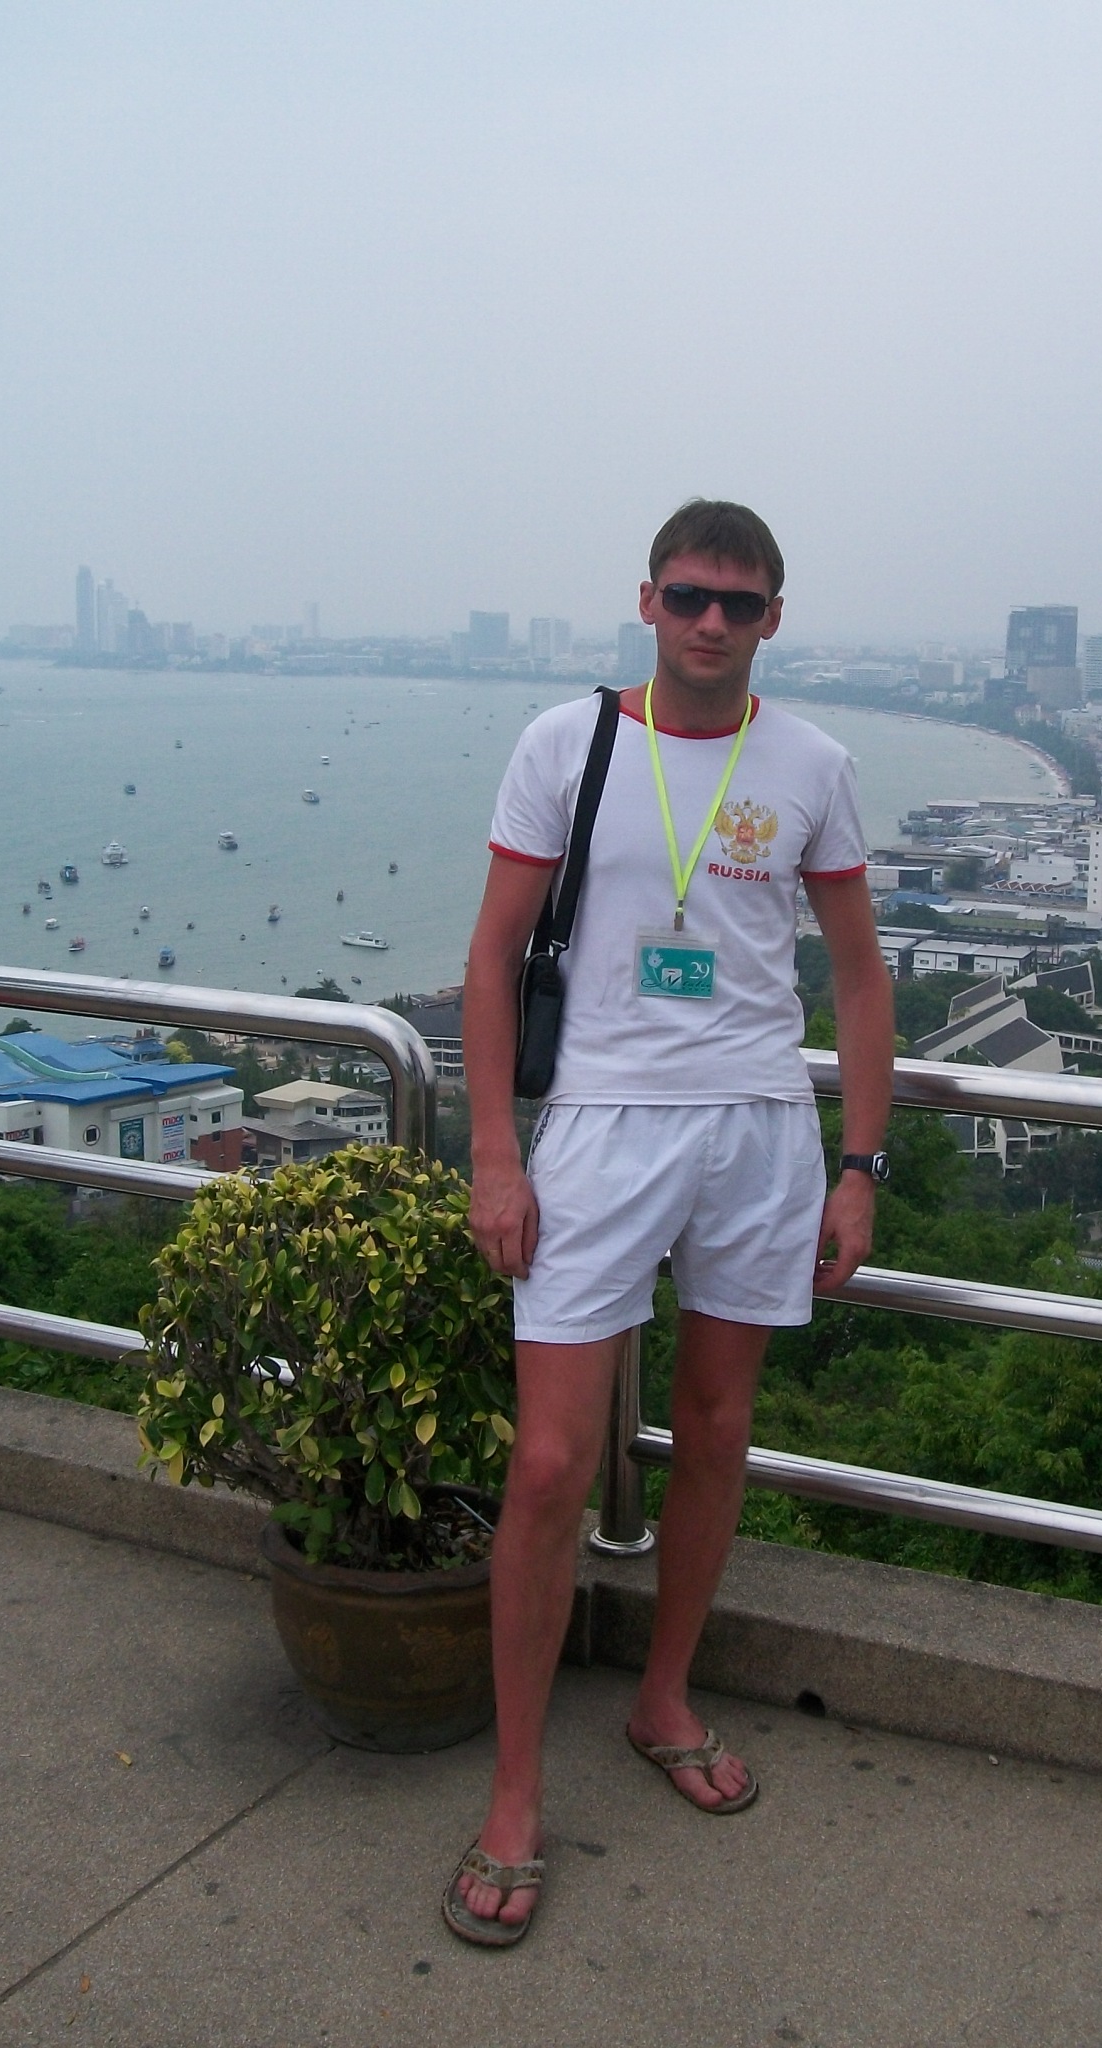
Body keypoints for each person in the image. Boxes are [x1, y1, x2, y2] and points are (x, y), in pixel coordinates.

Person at [444, 499, 894, 1945]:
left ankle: (661, 1699)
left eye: (739, 604)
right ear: (647, 600)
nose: (711, 622)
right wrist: (496, 1155)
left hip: (758, 1127)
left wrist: (860, 1165)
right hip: (599, 1126)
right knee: (547, 1466)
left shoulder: (812, 765)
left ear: (773, 619)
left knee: (713, 1429)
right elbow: (491, 959)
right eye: (690, 596)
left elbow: (860, 977)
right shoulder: (565, 745)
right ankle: (515, 1793)